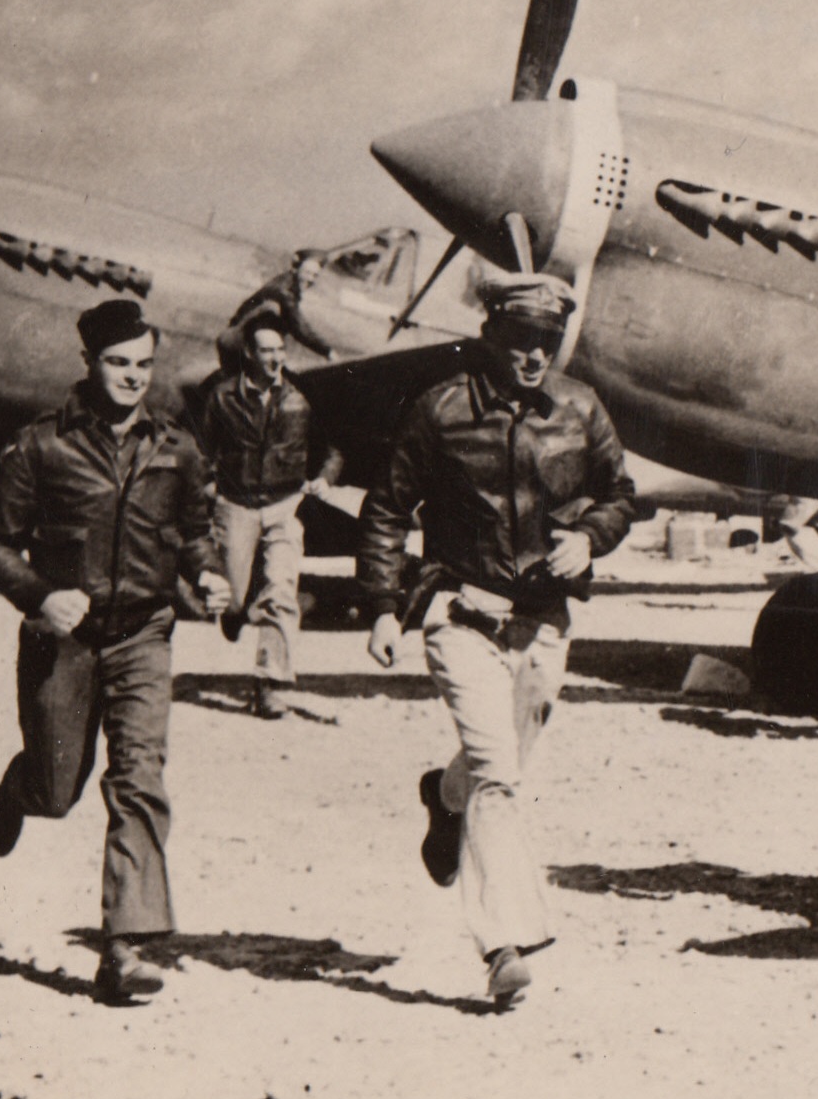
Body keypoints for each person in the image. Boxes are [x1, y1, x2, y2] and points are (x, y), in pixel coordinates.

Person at [359, 270, 636, 1011]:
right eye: (520, 341)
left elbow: (620, 495)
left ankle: (442, 799)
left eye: (546, 342)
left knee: (495, 768)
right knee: (499, 779)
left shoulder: (581, 408)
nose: (533, 356)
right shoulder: (439, 410)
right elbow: (386, 508)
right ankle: (505, 944)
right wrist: (383, 607)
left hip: (544, 622)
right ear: (492, 337)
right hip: (462, 614)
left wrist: (588, 537)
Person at [0, 299, 230, 1006]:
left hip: (145, 631)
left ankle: (125, 948)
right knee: (60, 792)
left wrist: (206, 572)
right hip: (65, 636)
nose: (134, 379)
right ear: (88, 363)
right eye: (120, 364)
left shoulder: (176, 446)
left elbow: (195, 527)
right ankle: (21, 787)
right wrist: (38, 595)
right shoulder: (40, 445)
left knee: (140, 780)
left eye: (145, 365)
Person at [192, 311, 340, 720]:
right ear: (249, 355)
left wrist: (325, 478)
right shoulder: (222, 397)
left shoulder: (301, 396)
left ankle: (271, 685)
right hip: (236, 504)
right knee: (232, 599)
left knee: (281, 591)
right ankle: (239, 611)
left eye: (280, 350)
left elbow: (332, 449)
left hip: (284, 504)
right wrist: (208, 486)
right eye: (267, 351)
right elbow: (200, 449)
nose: (276, 358)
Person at [230, 249, 335, 358]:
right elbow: (300, 329)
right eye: (307, 273)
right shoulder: (284, 292)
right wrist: (327, 351)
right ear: (295, 269)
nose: (310, 279)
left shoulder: (286, 281)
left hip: (240, 335)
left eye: (315, 275)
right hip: (239, 341)